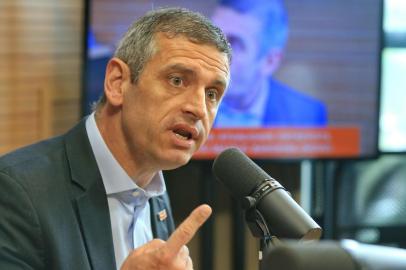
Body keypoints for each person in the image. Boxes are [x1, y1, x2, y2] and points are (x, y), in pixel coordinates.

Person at [0, 7, 231, 270]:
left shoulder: (154, 189)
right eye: (177, 80)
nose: (199, 108)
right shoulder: (15, 191)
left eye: (212, 94)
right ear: (117, 82)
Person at [212, 0, 327, 127]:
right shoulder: (189, 100)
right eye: (213, 38)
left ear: (270, 62)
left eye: (235, 44)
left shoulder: (305, 114)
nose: (214, 54)